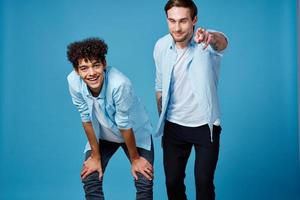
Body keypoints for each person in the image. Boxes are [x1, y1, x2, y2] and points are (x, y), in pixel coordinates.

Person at [153, 0, 228, 199]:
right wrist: (163, 122)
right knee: (173, 183)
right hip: (174, 127)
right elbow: (159, 86)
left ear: (194, 20)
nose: (177, 28)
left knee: (204, 183)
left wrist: (210, 37)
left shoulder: (206, 44)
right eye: (172, 21)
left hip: (205, 127)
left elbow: (222, 43)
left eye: (183, 21)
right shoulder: (161, 46)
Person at [67, 38, 154, 200]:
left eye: (96, 65)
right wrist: (95, 156)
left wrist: (135, 159)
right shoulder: (73, 81)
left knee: (144, 178)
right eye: (84, 68)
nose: (91, 73)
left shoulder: (120, 84)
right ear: (77, 70)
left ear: (104, 63)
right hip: (103, 133)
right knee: (90, 176)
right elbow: (85, 117)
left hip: (134, 133)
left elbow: (124, 124)